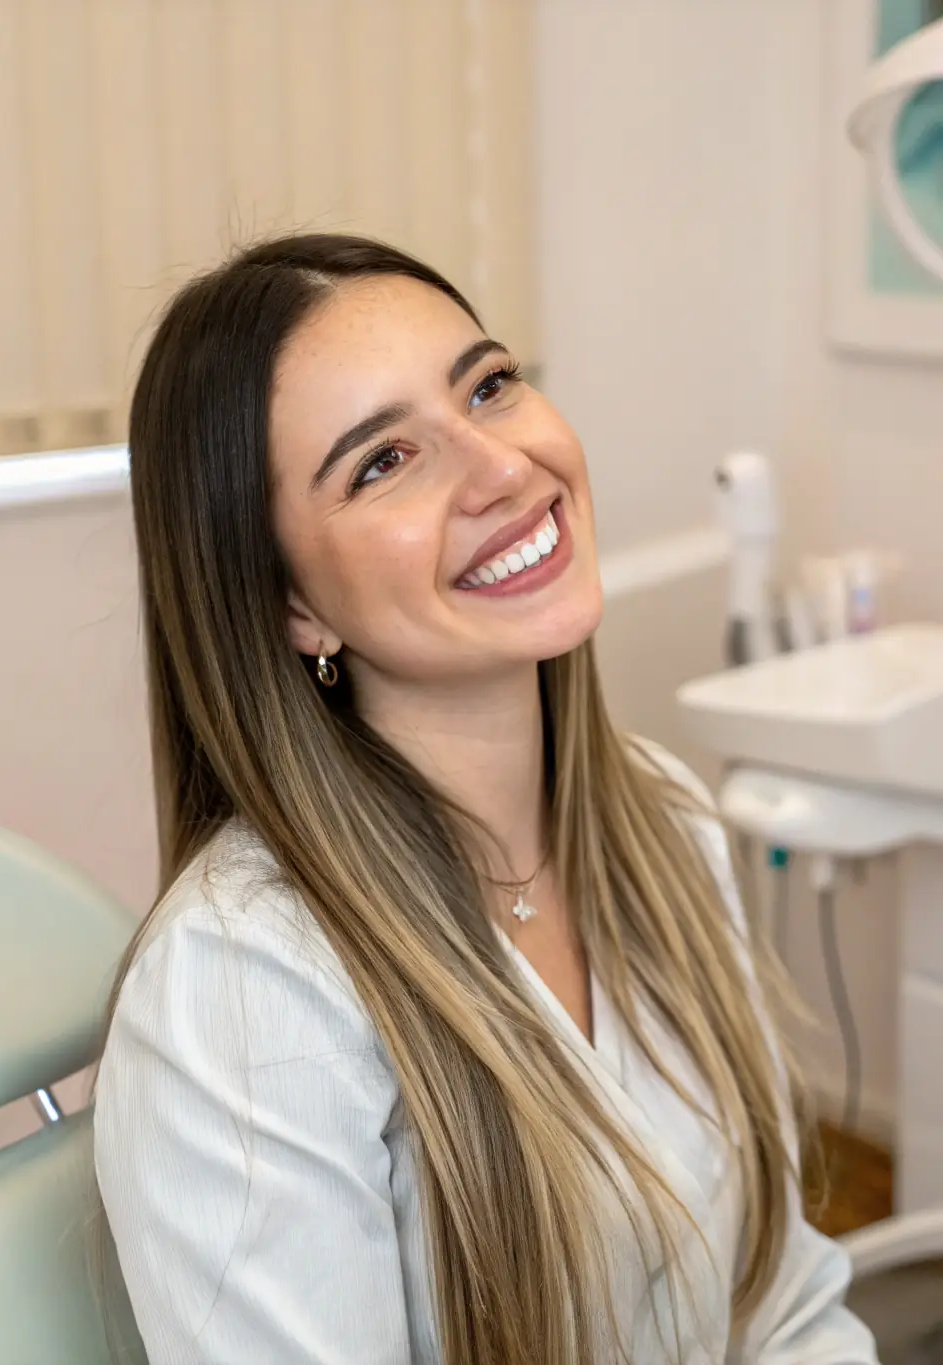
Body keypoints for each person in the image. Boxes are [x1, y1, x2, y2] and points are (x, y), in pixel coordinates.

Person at [93, 233, 878, 1365]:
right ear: (293, 613)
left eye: (490, 387)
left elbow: (784, 1305)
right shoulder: (244, 988)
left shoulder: (662, 822)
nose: (502, 467)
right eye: (381, 463)